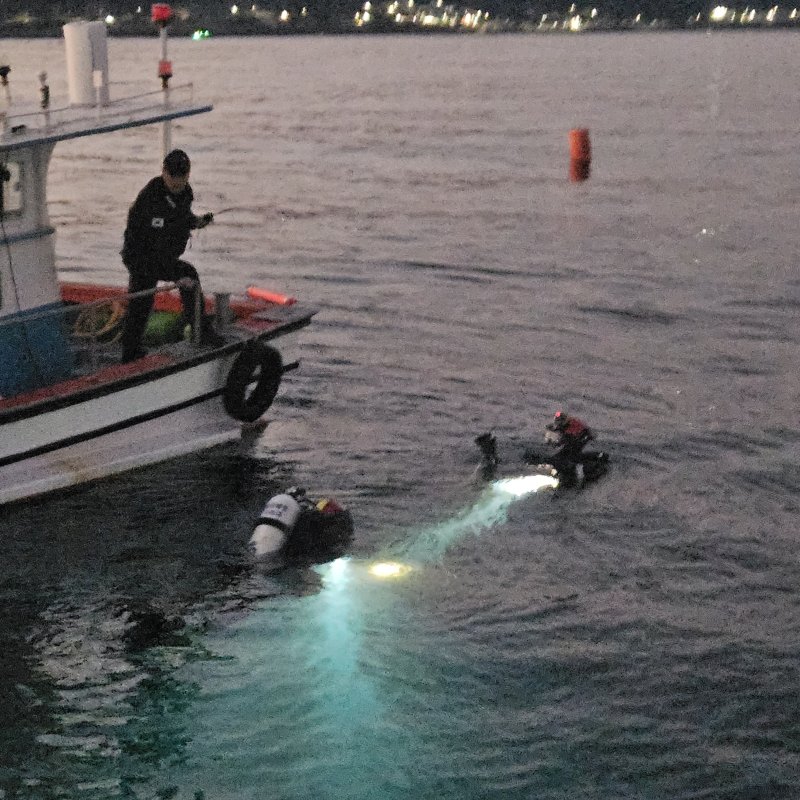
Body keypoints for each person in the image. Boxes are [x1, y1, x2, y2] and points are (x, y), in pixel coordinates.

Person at [120, 149, 214, 363]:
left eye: (181, 177)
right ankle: (130, 353)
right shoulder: (151, 196)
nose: (177, 182)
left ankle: (200, 329)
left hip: (164, 256)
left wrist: (196, 222)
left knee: (189, 276)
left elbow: (182, 217)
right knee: (141, 301)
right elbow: (154, 228)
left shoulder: (185, 193)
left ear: (188, 174)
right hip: (141, 256)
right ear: (164, 172)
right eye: (173, 177)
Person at [545, 410, 594, 482]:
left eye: (559, 421)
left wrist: (558, 443)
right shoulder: (566, 424)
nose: (558, 423)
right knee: (560, 456)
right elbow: (562, 432)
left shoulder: (573, 425)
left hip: (578, 442)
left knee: (572, 457)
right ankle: (561, 473)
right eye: (557, 421)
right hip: (574, 441)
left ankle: (578, 476)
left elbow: (568, 436)